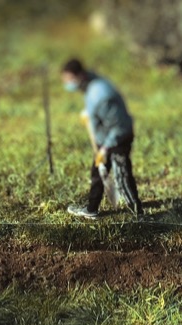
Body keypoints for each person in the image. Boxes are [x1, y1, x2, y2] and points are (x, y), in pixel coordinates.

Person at [60, 58, 143, 219]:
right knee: (98, 171)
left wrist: (105, 148)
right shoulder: (89, 82)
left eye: (69, 80)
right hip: (103, 136)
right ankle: (92, 209)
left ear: (80, 76)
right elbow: (95, 107)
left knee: (122, 176)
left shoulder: (102, 95)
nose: (67, 84)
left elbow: (119, 126)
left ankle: (138, 215)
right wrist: (89, 114)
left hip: (118, 138)